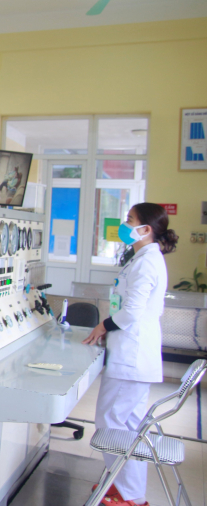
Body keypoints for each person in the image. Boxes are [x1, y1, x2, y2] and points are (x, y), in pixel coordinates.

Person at [83, 203, 179, 506]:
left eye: (130, 220)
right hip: (133, 352)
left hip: (132, 356)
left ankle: (128, 494)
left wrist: (103, 325)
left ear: (146, 229)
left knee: (111, 424)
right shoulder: (144, 257)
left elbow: (132, 311)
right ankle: (129, 491)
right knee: (128, 428)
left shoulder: (147, 262)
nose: (124, 225)